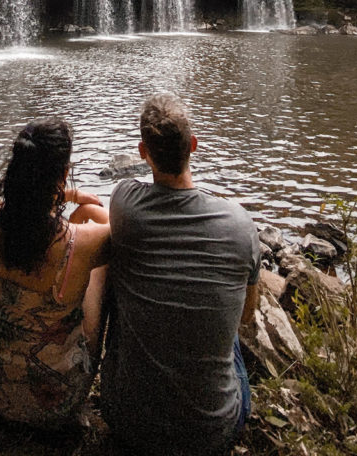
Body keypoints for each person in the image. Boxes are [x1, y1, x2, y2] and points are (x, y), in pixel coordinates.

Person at [100, 91, 261, 456]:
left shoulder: (124, 201)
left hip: (126, 422)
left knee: (113, 262)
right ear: (194, 145)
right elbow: (246, 317)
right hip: (213, 433)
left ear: (143, 153)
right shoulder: (239, 223)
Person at [0, 116, 110, 428]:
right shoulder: (78, 243)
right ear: (63, 174)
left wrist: (67, 196)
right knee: (103, 267)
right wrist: (85, 206)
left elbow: (26, 212)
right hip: (49, 406)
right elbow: (125, 230)